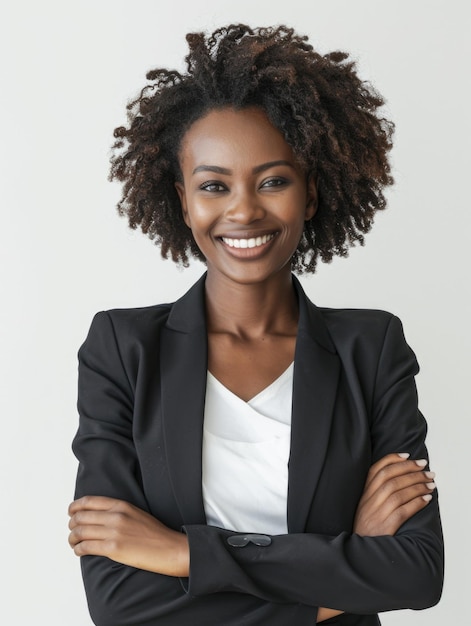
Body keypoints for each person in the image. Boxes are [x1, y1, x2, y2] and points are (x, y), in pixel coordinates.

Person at [68, 24, 444, 626]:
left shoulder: (370, 349)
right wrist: (341, 578)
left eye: (273, 180)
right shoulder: (123, 350)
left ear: (311, 193)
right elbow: (118, 602)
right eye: (214, 185)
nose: (243, 209)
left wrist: (183, 552)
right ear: (183, 199)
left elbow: (417, 570)